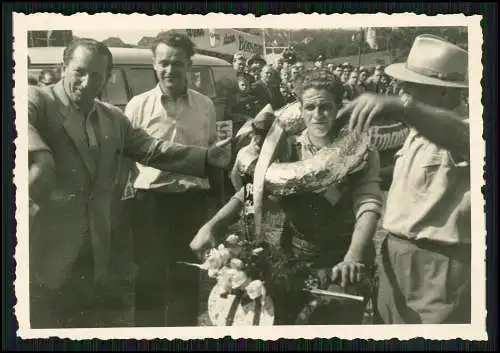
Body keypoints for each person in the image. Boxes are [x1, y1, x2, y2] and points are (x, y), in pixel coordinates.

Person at [28, 38, 232, 329]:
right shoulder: (39, 100)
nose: (87, 82)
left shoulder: (112, 118)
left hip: (93, 251)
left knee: (85, 325)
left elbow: (153, 150)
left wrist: (208, 157)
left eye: (97, 75)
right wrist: (40, 156)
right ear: (63, 67)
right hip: (45, 250)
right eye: (79, 71)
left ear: (107, 77)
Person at [194, 69, 383, 325]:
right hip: (294, 255)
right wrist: (213, 224)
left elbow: (368, 203)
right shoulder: (284, 146)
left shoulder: (360, 149)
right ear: (300, 110)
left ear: (340, 107)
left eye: (326, 107)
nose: (318, 115)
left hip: (343, 257)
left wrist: (353, 256)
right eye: (310, 107)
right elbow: (251, 190)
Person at [340, 34, 471, 324]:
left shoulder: (465, 128)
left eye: (413, 86)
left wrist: (404, 108)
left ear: (444, 92)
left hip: (439, 264)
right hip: (394, 253)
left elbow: (462, 138)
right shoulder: (420, 126)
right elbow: (415, 179)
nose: (401, 90)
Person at [123, 31, 223, 327]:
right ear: (154, 64)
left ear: (189, 65)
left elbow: (212, 156)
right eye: (163, 62)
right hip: (149, 205)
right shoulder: (137, 106)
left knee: (187, 280)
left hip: (190, 204)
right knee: (149, 282)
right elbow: (127, 160)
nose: (170, 70)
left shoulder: (206, 106)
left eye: (177, 63)